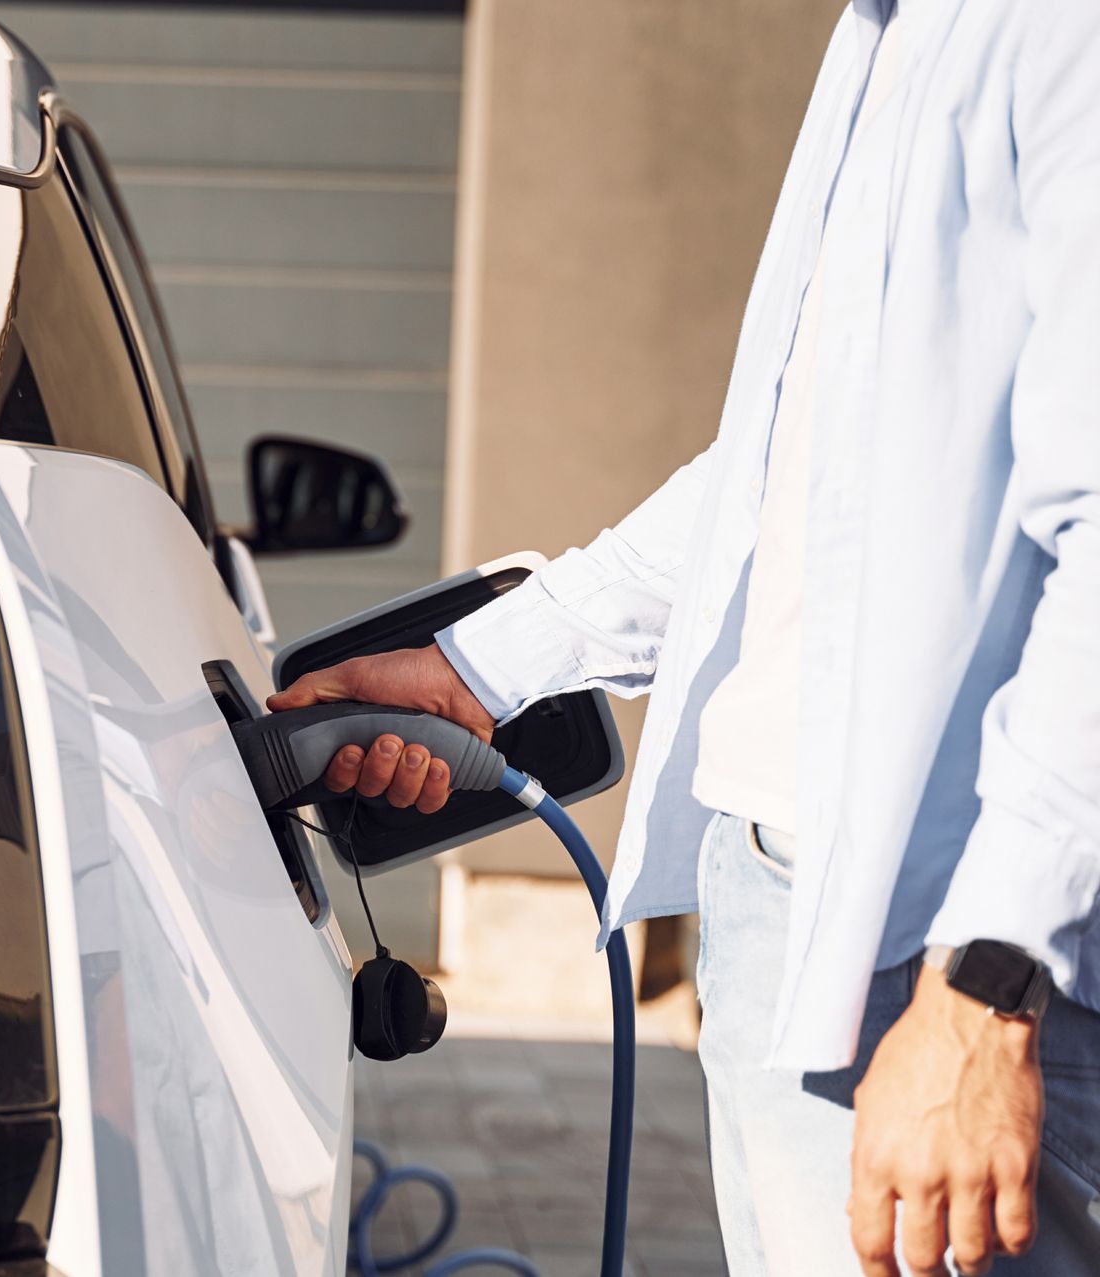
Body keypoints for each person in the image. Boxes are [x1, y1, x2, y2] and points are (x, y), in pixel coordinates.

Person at [269, 2, 1100, 1273]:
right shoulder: (888, 35)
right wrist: (478, 666)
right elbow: (790, 469)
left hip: (924, 947)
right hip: (821, 907)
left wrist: (987, 986)